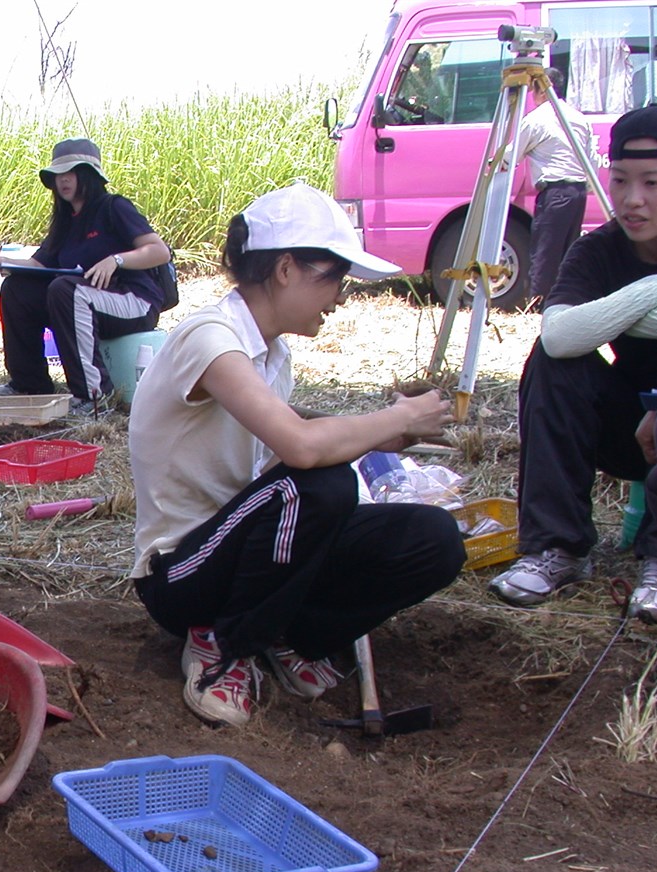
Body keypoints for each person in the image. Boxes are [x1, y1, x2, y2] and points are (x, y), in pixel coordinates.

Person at [128, 182, 463, 728]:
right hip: (182, 571)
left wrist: (378, 437)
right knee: (320, 482)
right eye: (334, 280)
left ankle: (285, 636)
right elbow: (300, 449)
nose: (338, 298)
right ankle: (224, 646)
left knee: (433, 542)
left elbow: (283, 452)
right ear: (286, 269)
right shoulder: (209, 337)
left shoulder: (273, 354)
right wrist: (398, 418)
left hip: (243, 552)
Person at [490, 107, 657, 622]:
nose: (633, 200)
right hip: (627, 431)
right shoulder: (598, 251)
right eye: (621, 181)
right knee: (552, 360)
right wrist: (651, 291)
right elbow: (561, 334)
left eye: (653, 183)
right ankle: (558, 548)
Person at [0, 138, 170, 415]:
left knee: (67, 290)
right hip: (82, 300)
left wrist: (116, 260)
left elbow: (159, 251)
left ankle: (93, 397)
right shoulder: (65, 220)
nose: (63, 180)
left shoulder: (113, 207)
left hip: (134, 301)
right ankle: (28, 383)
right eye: (58, 175)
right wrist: (3, 263)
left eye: (71, 172)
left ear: (89, 175)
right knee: (16, 289)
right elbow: (39, 264)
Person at [516, 68, 592, 302]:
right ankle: (566, 301)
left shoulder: (536, 119)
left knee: (545, 253)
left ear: (539, 89)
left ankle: (538, 304)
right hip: (579, 192)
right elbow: (590, 160)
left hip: (555, 192)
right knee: (569, 252)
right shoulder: (579, 117)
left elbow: (511, 156)